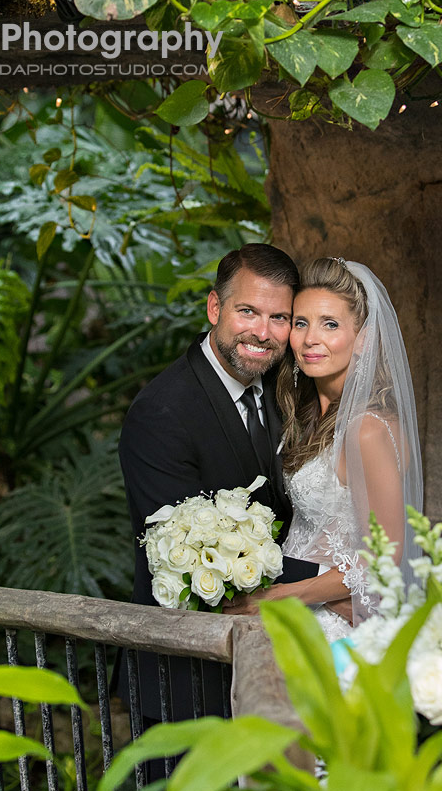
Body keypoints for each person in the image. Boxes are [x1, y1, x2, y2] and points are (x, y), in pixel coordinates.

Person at [118, 243, 320, 720]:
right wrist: (340, 582)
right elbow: (187, 561)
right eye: (247, 311)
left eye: (279, 318)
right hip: (184, 680)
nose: (262, 333)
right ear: (215, 307)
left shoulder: (283, 388)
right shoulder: (161, 413)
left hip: (267, 661)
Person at [224, 257, 423, 641]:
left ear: (363, 338)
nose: (310, 338)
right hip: (300, 611)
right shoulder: (306, 414)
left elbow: (382, 561)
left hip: (332, 625)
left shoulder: (367, 430)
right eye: (301, 323)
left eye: (330, 324)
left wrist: (281, 596)